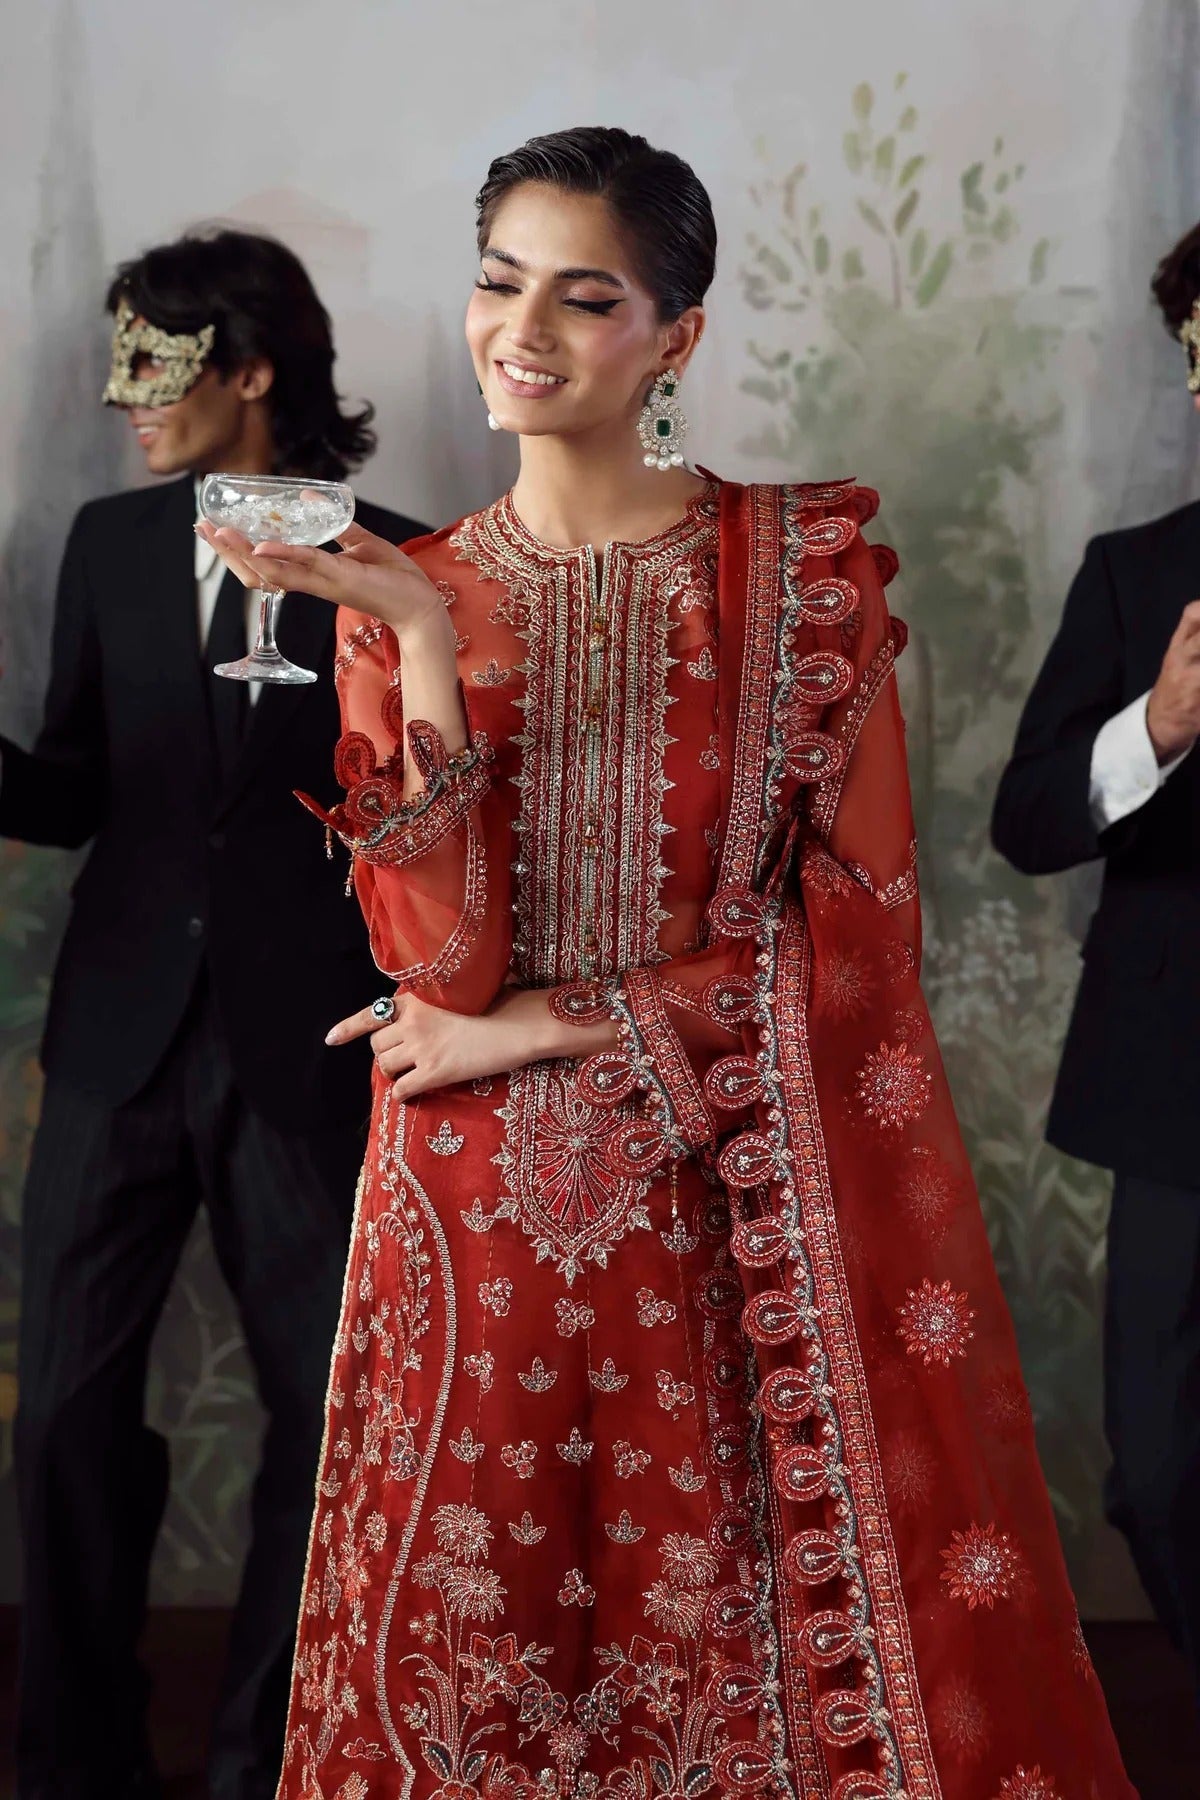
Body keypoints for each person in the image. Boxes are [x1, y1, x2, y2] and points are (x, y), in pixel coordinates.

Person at [204, 132, 1134, 1798]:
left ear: (676, 337)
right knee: (475, 1661)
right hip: (468, 1214)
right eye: (499, 282)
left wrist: (533, 1035)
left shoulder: (803, 582)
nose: (522, 330)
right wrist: (423, 643)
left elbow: (859, 947)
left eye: (585, 296)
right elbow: (442, 963)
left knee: (720, 1671)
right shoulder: (399, 593)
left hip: (715, 1193)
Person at [4, 228, 426, 1800]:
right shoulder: (111, 543)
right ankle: (73, 1762)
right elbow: (74, 788)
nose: (125, 395)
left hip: (309, 1048)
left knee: (324, 1422)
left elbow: (426, 819)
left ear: (250, 370)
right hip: (116, 1037)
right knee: (60, 1416)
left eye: (155, 363)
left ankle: (265, 1761)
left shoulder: (403, 562)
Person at [993, 220, 1200, 1696]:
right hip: (1180, 1096)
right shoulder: (1138, 576)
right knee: (1165, 1464)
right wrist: (1161, 729)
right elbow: (1027, 820)